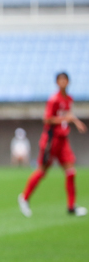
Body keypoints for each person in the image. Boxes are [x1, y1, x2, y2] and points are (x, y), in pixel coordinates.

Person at [18, 72, 87, 217]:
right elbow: (47, 119)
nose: (63, 82)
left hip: (63, 140)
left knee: (71, 172)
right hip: (51, 140)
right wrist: (65, 119)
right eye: (60, 80)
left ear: (68, 82)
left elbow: (68, 114)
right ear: (57, 82)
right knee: (42, 171)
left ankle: (71, 206)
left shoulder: (69, 98)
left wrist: (76, 122)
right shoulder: (53, 100)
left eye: (65, 80)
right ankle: (24, 198)